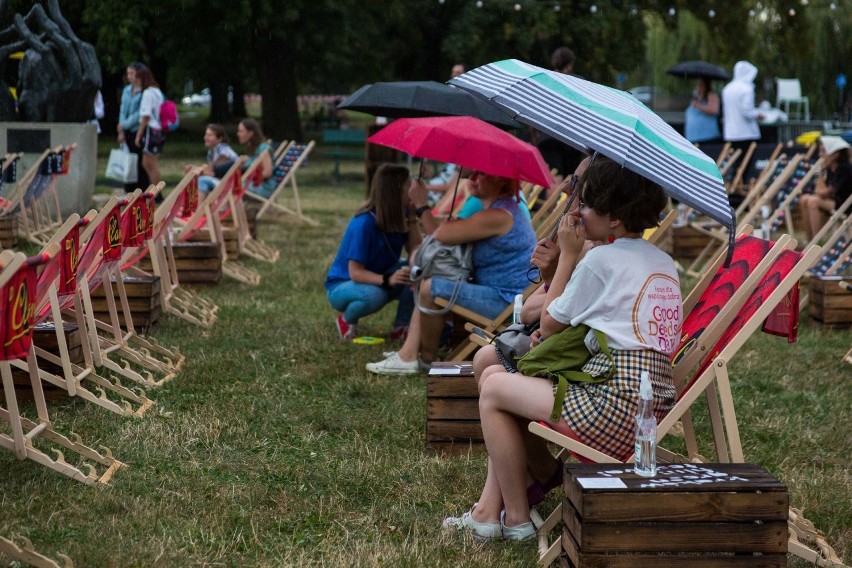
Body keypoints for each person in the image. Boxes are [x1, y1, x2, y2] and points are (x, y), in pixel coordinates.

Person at [443, 155, 681, 540]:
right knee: (504, 380)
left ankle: (516, 518)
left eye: (584, 204)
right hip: (648, 411)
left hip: (613, 408)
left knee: (493, 387)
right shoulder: (664, 261)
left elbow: (550, 321)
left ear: (614, 218)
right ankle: (494, 509)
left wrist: (568, 255)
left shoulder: (601, 259)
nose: (578, 212)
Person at [366, 170, 537, 375]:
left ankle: (426, 361)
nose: (470, 179)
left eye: (478, 175)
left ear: (499, 177)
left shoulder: (499, 215)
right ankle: (408, 354)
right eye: (470, 175)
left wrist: (421, 204)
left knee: (430, 288)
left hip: (506, 302)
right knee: (431, 281)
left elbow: (441, 235)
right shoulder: (501, 209)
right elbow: (448, 230)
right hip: (502, 294)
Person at [326, 163, 421, 340]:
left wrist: (413, 217)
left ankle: (401, 326)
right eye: (409, 185)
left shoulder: (401, 214)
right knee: (375, 295)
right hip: (343, 285)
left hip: (378, 277)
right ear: (396, 191)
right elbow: (355, 272)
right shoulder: (363, 223)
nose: (413, 189)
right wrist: (388, 280)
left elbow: (416, 252)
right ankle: (346, 319)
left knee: (416, 272)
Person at [536, 47, 585, 181]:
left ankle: (552, 202)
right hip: (571, 139)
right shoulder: (579, 83)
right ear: (570, 64)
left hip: (547, 138)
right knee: (571, 180)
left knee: (553, 178)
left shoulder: (544, 81)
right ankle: (567, 202)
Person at [799, 136, 852, 240]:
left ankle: (816, 241)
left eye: (824, 151)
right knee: (805, 199)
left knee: (813, 201)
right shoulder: (830, 168)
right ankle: (810, 241)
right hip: (836, 203)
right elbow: (820, 191)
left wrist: (821, 173)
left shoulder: (844, 168)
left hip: (846, 205)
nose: (820, 155)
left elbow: (824, 193)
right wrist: (822, 172)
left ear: (835, 154)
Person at [722, 61, 763, 190]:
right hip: (746, 133)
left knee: (733, 164)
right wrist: (758, 115)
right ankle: (741, 189)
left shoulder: (727, 88)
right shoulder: (747, 88)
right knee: (746, 166)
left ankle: (732, 187)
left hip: (731, 133)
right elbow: (748, 112)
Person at [116, 62, 148, 192]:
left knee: (139, 161)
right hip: (126, 130)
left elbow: (139, 113)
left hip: (138, 130)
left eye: (132, 73)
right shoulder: (127, 90)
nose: (129, 76)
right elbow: (123, 109)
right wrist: (121, 128)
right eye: (128, 73)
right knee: (128, 161)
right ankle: (128, 189)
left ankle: (141, 189)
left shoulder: (145, 91)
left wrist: (125, 123)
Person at [134, 66, 165, 187]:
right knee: (147, 162)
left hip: (150, 130)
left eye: (137, 78)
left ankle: (156, 191)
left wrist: (139, 134)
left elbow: (146, 116)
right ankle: (155, 189)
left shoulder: (147, 93)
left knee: (150, 163)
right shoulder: (157, 91)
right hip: (158, 129)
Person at [236, 118, 276, 198]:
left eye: (241, 131)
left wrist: (248, 177)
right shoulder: (252, 148)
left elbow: (267, 173)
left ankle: (233, 210)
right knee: (230, 184)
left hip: (263, 187)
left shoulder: (263, 149)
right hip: (252, 183)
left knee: (233, 187)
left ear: (250, 133)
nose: (237, 134)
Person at [195, 123, 239, 193]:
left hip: (231, 182)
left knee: (201, 180)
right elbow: (211, 171)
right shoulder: (211, 151)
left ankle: (201, 203)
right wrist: (196, 171)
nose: (205, 137)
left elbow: (217, 173)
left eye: (210, 135)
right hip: (221, 180)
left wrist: (199, 173)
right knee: (198, 179)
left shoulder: (223, 150)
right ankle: (203, 203)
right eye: (206, 134)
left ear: (220, 138)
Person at [684, 77, 721, 144]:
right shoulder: (696, 98)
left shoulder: (711, 95)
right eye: (697, 84)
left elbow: (714, 110)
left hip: (707, 138)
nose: (698, 86)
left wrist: (698, 105)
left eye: (700, 84)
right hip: (692, 138)